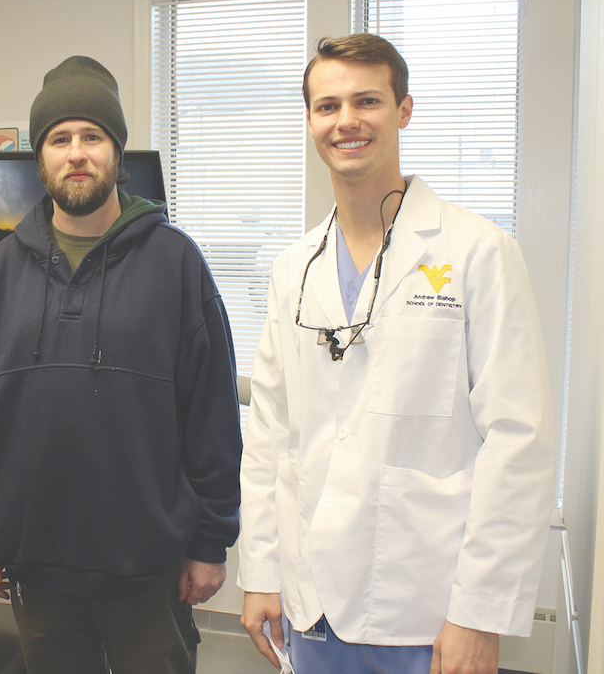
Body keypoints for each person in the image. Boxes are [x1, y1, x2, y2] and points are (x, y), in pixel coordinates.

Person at [237, 34, 556, 674]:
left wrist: (479, 613)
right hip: (312, 602)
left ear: (403, 110)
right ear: (309, 120)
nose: (346, 121)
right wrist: (261, 570)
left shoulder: (477, 253)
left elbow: (518, 440)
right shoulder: (293, 268)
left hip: (427, 603)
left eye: (367, 101)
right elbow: (271, 432)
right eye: (327, 106)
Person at [0, 55, 242, 674]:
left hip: (146, 563)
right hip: (36, 561)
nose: (76, 153)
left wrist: (210, 541)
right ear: (42, 158)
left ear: (117, 153)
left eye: (93, 137)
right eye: (60, 139)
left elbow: (212, 416)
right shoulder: (3, 271)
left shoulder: (176, 263)